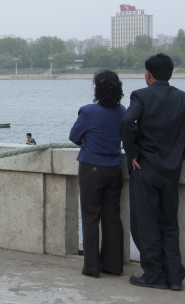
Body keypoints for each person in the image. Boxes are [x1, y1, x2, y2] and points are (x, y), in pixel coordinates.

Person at [120, 54, 185, 291]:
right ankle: (175, 277)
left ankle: (154, 274)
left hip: (145, 168)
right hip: (171, 171)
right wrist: (178, 153)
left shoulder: (141, 95)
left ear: (148, 74)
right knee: (169, 223)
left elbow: (127, 122)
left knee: (145, 224)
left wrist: (134, 152)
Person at [69, 70, 126, 279]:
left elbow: (74, 136)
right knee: (112, 217)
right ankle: (113, 265)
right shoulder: (122, 112)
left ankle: (92, 267)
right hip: (114, 168)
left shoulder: (88, 111)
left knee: (91, 217)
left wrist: (86, 140)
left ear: (96, 89)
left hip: (91, 168)